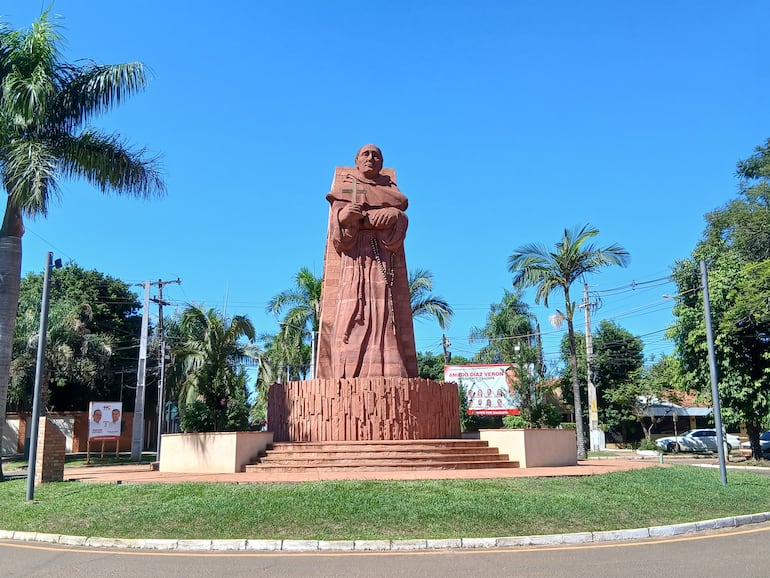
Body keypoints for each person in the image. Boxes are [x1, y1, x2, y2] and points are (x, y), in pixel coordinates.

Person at [320, 144, 418, 378]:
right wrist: (345, 217)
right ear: (356, 161)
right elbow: (339, 235)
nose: (371, 158)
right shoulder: (346, 186)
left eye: (376, 155)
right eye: (366, 154)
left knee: (385, 311)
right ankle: (346, 366)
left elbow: (400, 211)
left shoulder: (390, 191)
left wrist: (395, 216)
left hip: (383, 261)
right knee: (353, 311)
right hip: (354, 262)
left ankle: (389, 364)